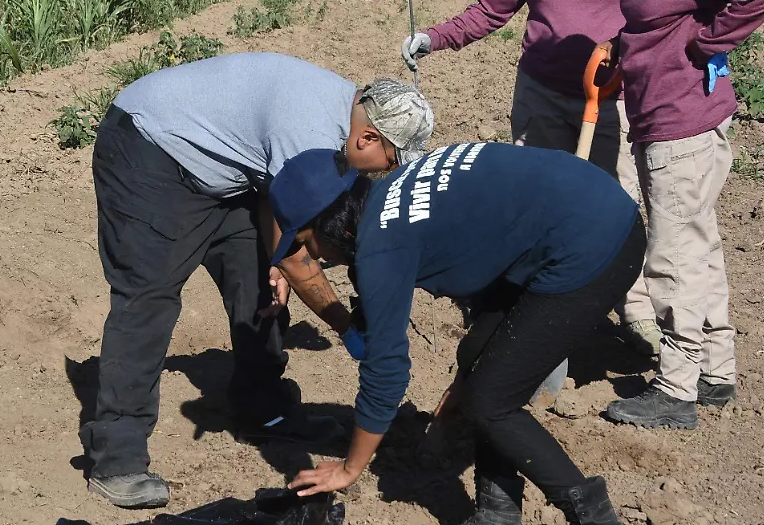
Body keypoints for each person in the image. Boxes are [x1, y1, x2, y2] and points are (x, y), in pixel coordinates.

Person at [81, 52, 434, 508]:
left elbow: (278, 196)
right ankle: (116, 458)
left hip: (229, 171)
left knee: (258, 284)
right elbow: (298, 255)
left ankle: (263, 410)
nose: (382, 172)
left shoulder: (348, 117)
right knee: (148, 298)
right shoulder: (310, 131)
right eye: (388, 160)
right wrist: (346, 326)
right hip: (151, 149)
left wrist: (278, 257)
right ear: (367, 137)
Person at [270, 144, 646, 525]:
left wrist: (350, 468)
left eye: (305, 243)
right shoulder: (390, 193)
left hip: (594, 245)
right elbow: (487, 253)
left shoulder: (383, 246)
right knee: (478, 368)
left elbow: (386, 372)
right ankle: (498, 510)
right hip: (588, 207)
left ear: (330, 222)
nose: (314, 257)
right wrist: (467, 375)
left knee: (490, 402)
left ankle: (593, 515)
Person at [400, 0, 660, 359]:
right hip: (541, 95)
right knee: (540, 204)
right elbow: (491, 10)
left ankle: (637, 314)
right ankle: (537, 305)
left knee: (617, 205)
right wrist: (434, 38)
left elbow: (658, 12)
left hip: (611, 99)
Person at [584, 0, 764, 429]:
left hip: (682, 124)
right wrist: (630, 44)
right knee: (700, 248)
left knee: (672, 256)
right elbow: (662, 11)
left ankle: (676, 389)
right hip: (665, 113)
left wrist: (703, 45)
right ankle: (716, 373)